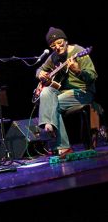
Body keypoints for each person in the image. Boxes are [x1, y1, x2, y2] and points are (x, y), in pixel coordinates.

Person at [36, 27, 98, 158]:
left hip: (83, 92)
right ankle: (59, 140)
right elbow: (39, 69)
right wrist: (40, 74)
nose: (57, 47)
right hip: (63, 94)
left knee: (52, 104)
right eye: (53, 46)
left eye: (59, 43)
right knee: (46, 91)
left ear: (66, 41)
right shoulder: (53, 57)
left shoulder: (80, 51)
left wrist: (78, 71)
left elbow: (93, 76)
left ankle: (53, 132)